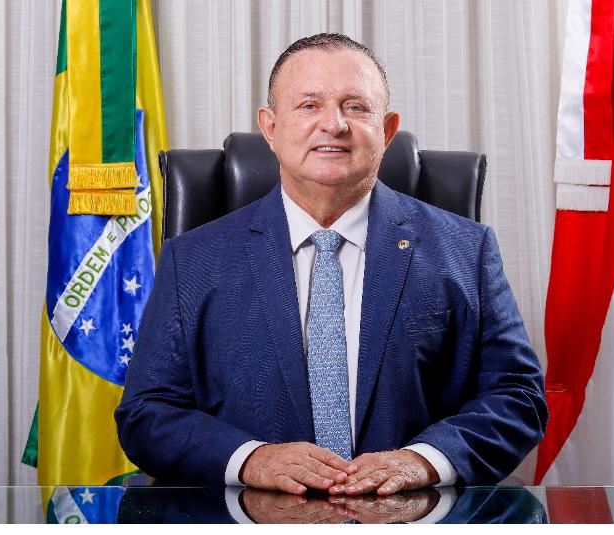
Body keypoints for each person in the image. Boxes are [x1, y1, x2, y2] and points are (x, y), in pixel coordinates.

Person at [115, 33, 547, 496]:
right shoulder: (193, 259)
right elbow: (147, 413)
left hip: (411, 514)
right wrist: (250, 459)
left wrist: (424, 460)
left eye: (355, 107)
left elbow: (518, 399)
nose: (334, 124)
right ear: (270, 127)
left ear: (387, 131)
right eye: (309, 105)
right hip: (249, 516)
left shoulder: (466, 249)